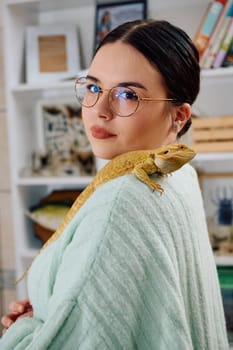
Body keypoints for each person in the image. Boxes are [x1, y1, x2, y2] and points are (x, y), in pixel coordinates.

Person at [0, 19, 228, 349]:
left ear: (179, 116)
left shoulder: (121, 203)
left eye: (127, 94)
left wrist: (26, 329)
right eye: (93, 88)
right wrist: (61, 306)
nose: (99, 110)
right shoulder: (176, 170)